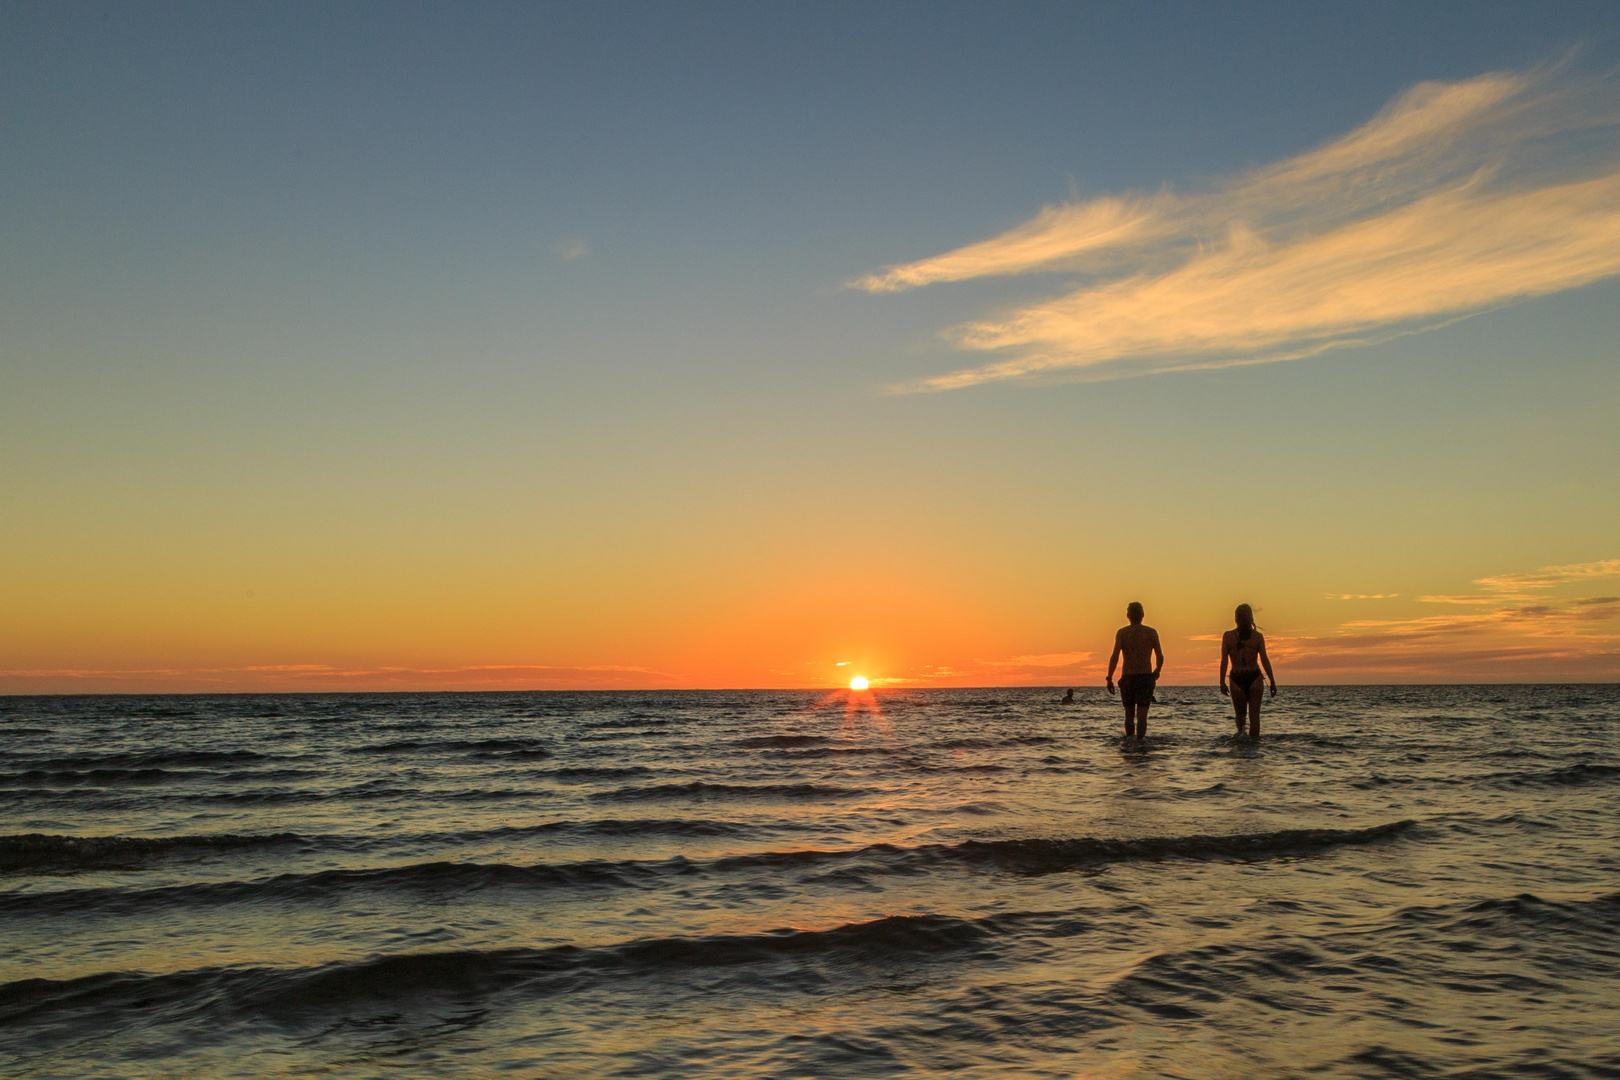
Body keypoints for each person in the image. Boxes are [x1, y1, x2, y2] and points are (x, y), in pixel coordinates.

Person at [1107, 602, 1163, 739]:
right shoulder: (1150, 632)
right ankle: (1140, 743)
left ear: (1128, 616)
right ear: (1143, 615)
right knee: (1142, 715)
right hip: (1144, 677)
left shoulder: (1122, 633)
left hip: (1128, 678)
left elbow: (1115, 656)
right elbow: (1159, 655)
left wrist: (1109, 677)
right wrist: (1157, 670)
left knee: (1129, 713)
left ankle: (1130, 742)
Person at [1220, 603, 1275, 737]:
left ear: (1236, 618)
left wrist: (1221, 682)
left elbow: (1224, 661)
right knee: (1254, 716)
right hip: (1254, 677)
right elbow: (1264, 660)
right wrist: (1272, 681)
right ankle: (1254, 750)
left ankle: (1242, 747)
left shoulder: (1227, 636)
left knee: (1240, 717)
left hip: (1237, 678)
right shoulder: (1257, 637)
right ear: (1251, 618)